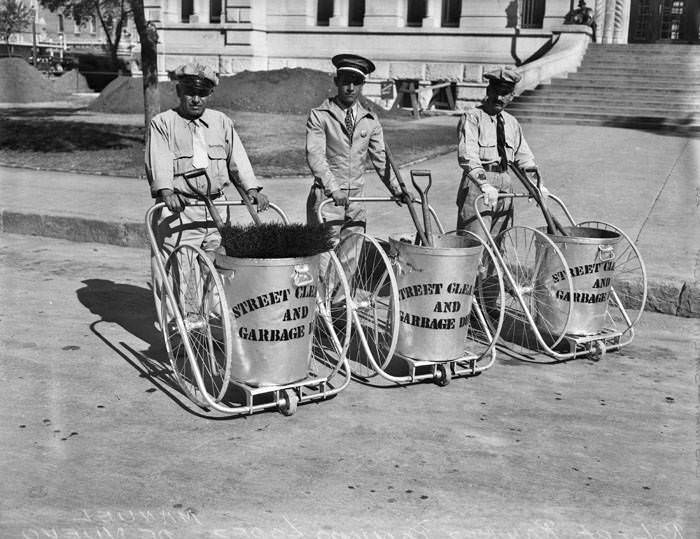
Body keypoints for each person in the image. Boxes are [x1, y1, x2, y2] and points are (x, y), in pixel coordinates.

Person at [146, 62, 269, 325]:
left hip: (216, 208)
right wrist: (166, 190)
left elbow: (237, 158)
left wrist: (252, 189)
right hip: (181, 209)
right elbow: (160, 159)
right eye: (190, 92)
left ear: (210, 95)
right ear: (179, 91)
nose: (196, 99)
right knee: (182, 269)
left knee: (217, 266)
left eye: (202, 93)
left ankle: (212, 326)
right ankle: (179, 330)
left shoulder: (221, 122)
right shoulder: (163, 123)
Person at [305, 53, 409, 275]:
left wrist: (398, 190)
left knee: (350, 259)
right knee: (323, 259)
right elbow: (315, 155)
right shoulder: (320, 116)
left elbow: (382, 159)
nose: (350, 87)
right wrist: (333, 188)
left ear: (363, 84)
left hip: (357, 200)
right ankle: (320, 308)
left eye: (356, 82)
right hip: (328, 199)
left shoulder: (370, 120)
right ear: (336, 81)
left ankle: (341, 307)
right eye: (345, 81)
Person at [455, 67, 548, 240]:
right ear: (488, 91)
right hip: (478, 184)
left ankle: (493, 268)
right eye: (495, 92)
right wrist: (484, 184)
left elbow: (524, 157)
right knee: (474, 242)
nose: (499, 98)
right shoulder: (473, 117)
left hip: (505, 183)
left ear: (512, 95)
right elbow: (468, 156)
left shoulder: (511, 123)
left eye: (504, 93)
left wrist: (538, 184)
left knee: (499, 242)